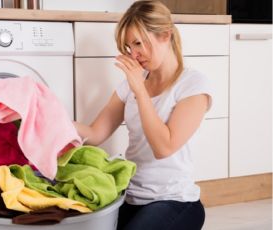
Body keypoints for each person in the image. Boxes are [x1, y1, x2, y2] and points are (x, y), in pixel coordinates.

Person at [73, 1, 211, 229]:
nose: (134, 55)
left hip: (175, 201)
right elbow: (95, 134)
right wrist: (48, 116)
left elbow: (163, 147)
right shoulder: (130, 86)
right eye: (129, 47)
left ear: (165, 35)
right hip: (131, 196)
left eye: (138, 43)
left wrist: (140, 90)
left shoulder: (193, 85)